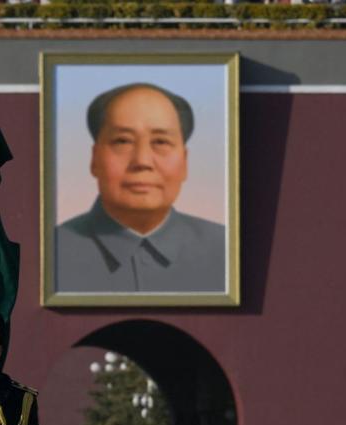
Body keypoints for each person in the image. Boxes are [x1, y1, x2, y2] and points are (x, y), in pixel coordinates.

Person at [54, 83, 226, 295]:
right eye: (123, 141)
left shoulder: (227, 251)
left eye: (161, 142)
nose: (142, 161)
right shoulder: (50, 252)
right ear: (94, 158)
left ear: (185, 161)